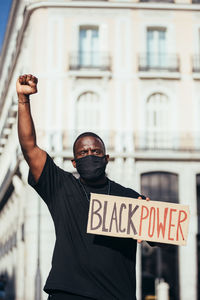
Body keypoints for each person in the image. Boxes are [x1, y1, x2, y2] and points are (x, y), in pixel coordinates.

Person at [16, 74, 149, 300]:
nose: (90, 155)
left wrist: (150, 220)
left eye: (96, 152)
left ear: (106, 158)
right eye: (83, 153)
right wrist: (23, 100)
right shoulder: (60, 186)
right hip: (67, 294)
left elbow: (163, 237)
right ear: (74, 163)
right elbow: (29, 147)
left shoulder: (128, 198)